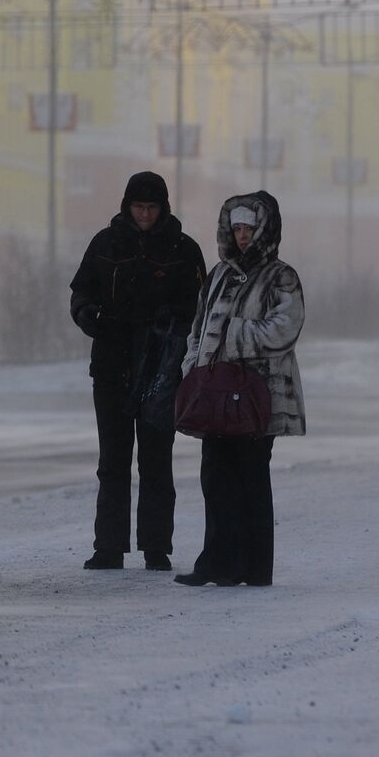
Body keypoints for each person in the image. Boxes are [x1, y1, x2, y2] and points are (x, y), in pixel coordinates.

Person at [68, 171, 206, 571]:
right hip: (111, 366)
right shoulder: (105, 243)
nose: (145, 214)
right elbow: (81, 291)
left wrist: (172, 324)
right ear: (126, 206)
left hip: (161, 372)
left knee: (156, 461)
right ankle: (109, 546)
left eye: (151, 207)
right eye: (138, 207)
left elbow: (200, 307)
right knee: (112, 460)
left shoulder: (183, 249)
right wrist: (87, 315)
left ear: (163, 208)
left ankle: (156, 547)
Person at [174, 192, 305, 588]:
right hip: (215, 396)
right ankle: (216, 564)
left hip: (255, 398)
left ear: (265, 229)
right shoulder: (218, 275)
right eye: (237, 228)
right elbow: (197, 328)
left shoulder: (281, 276)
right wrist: (192, 366)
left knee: (250, 479)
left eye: (250, 228)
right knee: (215, 478)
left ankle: (253, 567)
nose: (243, 236)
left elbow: (285, 328)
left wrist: (234, 336)